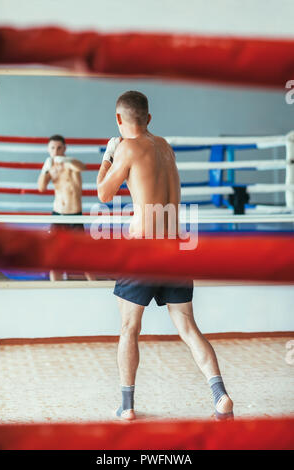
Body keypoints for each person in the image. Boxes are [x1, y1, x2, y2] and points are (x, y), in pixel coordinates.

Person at [97, 91, 233, 421]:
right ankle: (220, 396)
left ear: (118, 120)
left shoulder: (127, 148)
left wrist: (108, 155)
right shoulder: (165, 147)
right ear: (149, 118)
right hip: (176, 249)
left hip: (144, 249)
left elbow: (103, 194)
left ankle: (127, 406)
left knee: (129, 327)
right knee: (187, 327)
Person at [38, 134, 95, 281]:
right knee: (54, 257)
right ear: (48, 149)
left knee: (84, 257)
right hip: (57, 214)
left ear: (64, 148)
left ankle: (94, 286)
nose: (55, 151)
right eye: (52, 148)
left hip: (74, 215)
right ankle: (54, 289)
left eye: (58, 148)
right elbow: (41, 188)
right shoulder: (50, 167)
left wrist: (65, 160)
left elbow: (83, 167)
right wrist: (46, 170)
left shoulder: (71, 164)